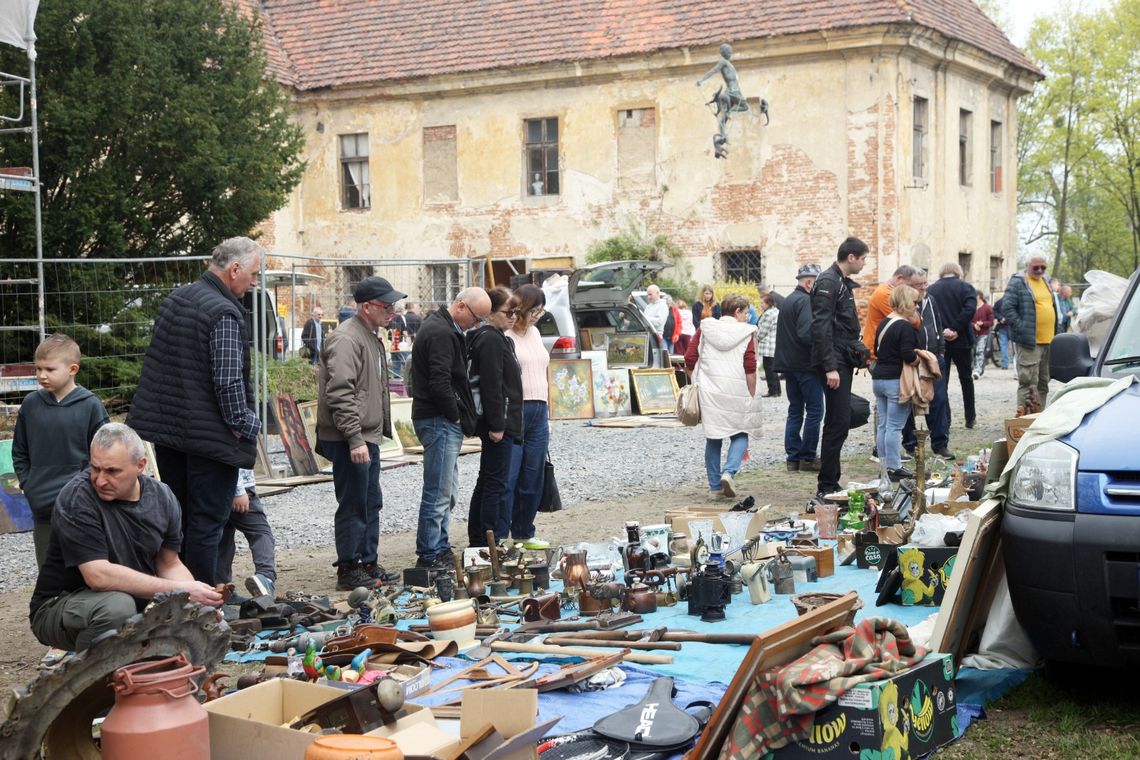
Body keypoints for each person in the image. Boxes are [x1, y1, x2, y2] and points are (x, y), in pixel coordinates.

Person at [127, 236, 263, 586]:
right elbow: (228, 381)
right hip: (210, 439)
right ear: (234, 269)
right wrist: (247, 424)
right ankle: (201, 608)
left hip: (173, 434)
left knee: (180, 521)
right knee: (206, 526)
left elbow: (163, 367)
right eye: (253, 274)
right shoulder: (224, 312)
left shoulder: (178, 298)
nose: (254, 282)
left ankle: (178, 598)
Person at [29, 424, 223, 652]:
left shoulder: (162, 497)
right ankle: (90, 681)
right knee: (117, 608)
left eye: (112, 471)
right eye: (95, 468)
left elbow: (169, 563)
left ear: (141, 465)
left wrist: (194, 600)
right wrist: (178, 590)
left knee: (198, 623)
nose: (100, 480)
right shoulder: (77, 498)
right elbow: (98, 576)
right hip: (60, 606)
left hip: (133, 604)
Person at [317, 276, 405, 589]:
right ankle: (349, 568)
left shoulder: (368, 336)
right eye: (387, 305)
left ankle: (366, 562)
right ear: (366, 307)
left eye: (393, 304)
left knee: (370, 500)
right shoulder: (346, 339)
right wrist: (354, 439)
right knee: (354, 503)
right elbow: (340, 392)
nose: (392, 311)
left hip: (364, 436)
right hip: (349, 438)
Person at [13, 333, 109, 570]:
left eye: (50, 369)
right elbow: (20, 452)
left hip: (81, 502)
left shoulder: (91, 406)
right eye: (38, 369)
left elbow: (104, 454)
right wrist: (29, 483)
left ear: (72, 369)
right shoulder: (30, 405)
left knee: (85, 565)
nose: (41, 375)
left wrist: (85, 488)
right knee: (47, 566)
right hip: (42, 504)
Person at [411, 288, 491, 567]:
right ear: (461, 306)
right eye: (477, 317)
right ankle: (430, 553)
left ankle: (439, 546)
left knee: (447, 490)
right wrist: (455, 416)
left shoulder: (442, 327)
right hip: (438, 419)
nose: (477, 324)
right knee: (439, 491)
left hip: (439, 419)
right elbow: (440, 381)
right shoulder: (442, 332)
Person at [684, 293, 762, 497]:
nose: (747, 317)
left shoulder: (705, 328)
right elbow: (750, 367)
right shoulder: (747, 332)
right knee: (741, 432)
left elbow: (690, 357)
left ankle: (715, 488)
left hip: (710, 390)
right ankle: (728, 472)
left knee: (713, 436)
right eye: (746, 313)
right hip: (736, 389)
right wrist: (751, 394)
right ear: (737, 312)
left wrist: (697, 379)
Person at [810, 236, 868, 499]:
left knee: (841, 420)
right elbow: (821, 326)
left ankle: (831, 480)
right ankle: (827, 484)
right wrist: (830, 367)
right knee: (837, 422)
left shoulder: (841, 282)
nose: (865, 264)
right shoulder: (829, 281)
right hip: (834, 362)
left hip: (843, 358)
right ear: (851, 257)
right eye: (863, 258)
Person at [466, 287, 524, 546]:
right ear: (490, 312)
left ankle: (481, 538)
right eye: (508, 312)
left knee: (489, 479)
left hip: (503, 419)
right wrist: (497, 424)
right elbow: (492, 384)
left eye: (516, 312)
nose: (513, 317)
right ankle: (485, 540)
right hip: (498, 423)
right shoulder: (489, 339)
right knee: (494, 483)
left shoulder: (500, 338)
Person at [505, 285, 551, 541]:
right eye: (534, 310)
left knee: (534, 474)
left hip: (539, 409)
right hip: (516, 409)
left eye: (540, 311)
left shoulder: (534, 333)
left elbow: (543, 370)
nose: (537, 315)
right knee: (510, 475)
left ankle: (524, 531)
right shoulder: (507, 335)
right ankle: (501, 534)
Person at [902, 268, 954, 460]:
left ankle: (940, 444)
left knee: (939, 399)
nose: (923, 287)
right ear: (908, 284)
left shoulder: (930, 300)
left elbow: (937, 324)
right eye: (918, 285)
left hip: (933, 357)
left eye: (925, 283)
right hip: (912, 358)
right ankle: (910, 444)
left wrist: (940, 350)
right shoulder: (904, 304)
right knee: (908, 400)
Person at [775, 264, 822, 472]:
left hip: (790, 365)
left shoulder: (788, 300)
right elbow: (806, 333)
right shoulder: (804, 300)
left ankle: (793, 458)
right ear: (810, 282)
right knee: (814, 410)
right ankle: (808, 457)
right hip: (805, 364)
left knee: (795, 411)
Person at [871, 286, 922, 479]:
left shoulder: (884, 322)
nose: (916, 306)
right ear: (906, 302)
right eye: (914, 302)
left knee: (884, 425)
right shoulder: (904, 326)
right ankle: (894, 467)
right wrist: (921, 360)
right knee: (894, 426)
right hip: (895, 380)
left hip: (879, 379)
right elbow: (908, 355)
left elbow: (876, 349)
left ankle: (884, 465)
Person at [1002, 256, 1058, 409]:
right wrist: (1022, 328)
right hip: (1029, 343)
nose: (1040, 270)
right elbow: (1007, 307)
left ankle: (1038, 418)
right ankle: (1024, 422)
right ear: (1027, 266)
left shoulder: (1046, 281)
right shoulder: (1018, 282)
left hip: (1048, 341)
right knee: (1028, 384)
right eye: (1036, 267)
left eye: (1043, 267)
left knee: (1043, 384)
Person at [926, 263, 978, 429]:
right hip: (961, 338)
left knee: (942, 381)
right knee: (966, 379)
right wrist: (955, 328)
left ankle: (945, 420)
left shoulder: (932, 289)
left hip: (940, 341)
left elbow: (930, 314)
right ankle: (970, 417)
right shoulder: (966, 287)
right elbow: (970, 310)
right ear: (958, 272)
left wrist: (944, 330)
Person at [217, 468, 277, 602]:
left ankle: (221, 590)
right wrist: (238, 490)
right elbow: (229, 452)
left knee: (223, 537)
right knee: (260, 532)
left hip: (210, 486)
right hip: (236, 485)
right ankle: (265, 577)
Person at [861, 266, 917, 359]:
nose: (911, 289)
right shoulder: (885, 294)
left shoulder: (887, 292)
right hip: (879, 355)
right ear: (899, 278)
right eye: (909, 286)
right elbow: (913, 321)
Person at [755, 293, 781, 397]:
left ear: (768, 303)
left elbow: (762, 331)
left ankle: (772, 390)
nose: (760, 305)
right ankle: (777, 391)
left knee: (769, 368)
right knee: (772, 368)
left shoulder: (768, 314)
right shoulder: (775, 311)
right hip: (773, 344)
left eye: (762, 303)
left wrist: (755, 338)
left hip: (768, 345)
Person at [972, 291, 995, 379]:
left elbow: (991, 322)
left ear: (979, 296)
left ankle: (977, 370)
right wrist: (974, 325)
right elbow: (968, 320)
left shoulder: (987, 308)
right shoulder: (972, 307)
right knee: (973, 351)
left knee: (980, 350)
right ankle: (977, 368)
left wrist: (983, 324)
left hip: (983, 333)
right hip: (973, 332)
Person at [642, 284, 669, 349]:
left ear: (657, 293)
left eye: (650, 294)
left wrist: (644, 318)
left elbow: (659, 322)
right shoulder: (648, 306)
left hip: (655, 338)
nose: (648, 297)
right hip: (646, 337)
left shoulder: (662, 306)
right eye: (647, 295)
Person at [992, 295, 1012, 369]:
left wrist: (1000, 318)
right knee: (1015, 346)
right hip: (1010, 326)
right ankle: (1011, 363)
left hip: (1003, 326)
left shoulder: (999, 301)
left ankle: (1005, 364)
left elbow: (993, 311)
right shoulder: (1013, 300)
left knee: (1003, 346)